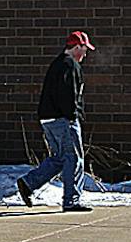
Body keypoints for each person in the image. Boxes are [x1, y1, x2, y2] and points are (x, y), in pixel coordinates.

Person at [15, 30, 94, 212]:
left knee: (59, 158)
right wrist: (74, 117)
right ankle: (71, 201)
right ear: (76, 47)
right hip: (63, 120)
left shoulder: (57, 64)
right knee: (74, 158)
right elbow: (70, 97)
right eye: (84, 49)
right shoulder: (70, 67)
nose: (85, 53)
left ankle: (28, 183)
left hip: (48, 120)